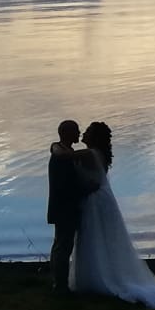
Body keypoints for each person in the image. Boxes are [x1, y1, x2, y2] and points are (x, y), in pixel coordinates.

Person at [68, 121, 155, 309]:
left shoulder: (89, 154)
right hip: (102, 199)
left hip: (96, 201)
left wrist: (55, 146)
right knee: (104, 238)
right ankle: (103, 273)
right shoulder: (100, 155)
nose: (83, 134)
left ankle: (98, 277)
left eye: (87, 131)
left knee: (94, 236)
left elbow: (66, 156)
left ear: (94, 136)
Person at [47, 119, 97, 294]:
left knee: (61, 245)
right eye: (75, 131)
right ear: (67, 133)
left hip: (64, 207)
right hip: (64, 208)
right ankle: (60, 286)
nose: (78, 133)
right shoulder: (60, 154)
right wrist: (87, 189)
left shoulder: (66, 151)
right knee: (63, 246)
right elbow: (66, 186)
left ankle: (59, 284)